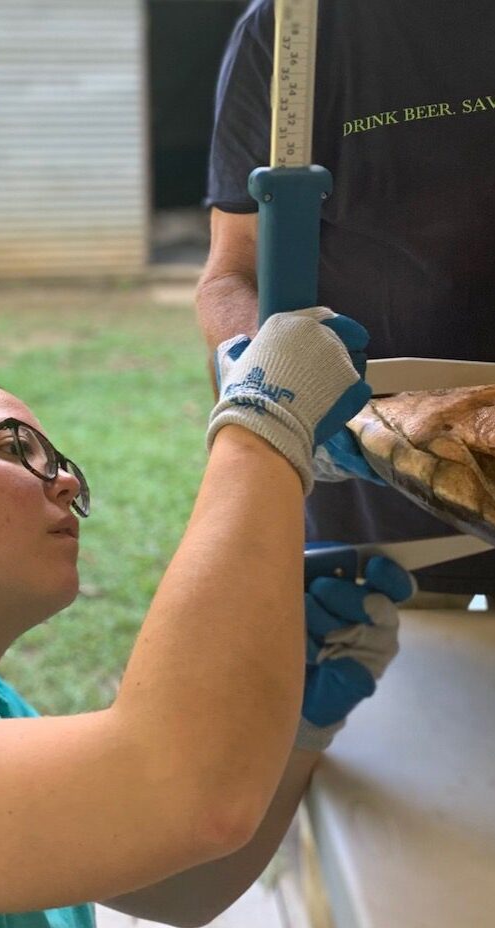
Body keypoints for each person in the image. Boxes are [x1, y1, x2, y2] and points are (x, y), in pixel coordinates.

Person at [0, 310, 413, 928]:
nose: (63, 480)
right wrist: (263, 425)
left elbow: (176, 887)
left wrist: (300, 726)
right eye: (14, 450)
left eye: (60, 461)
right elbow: (178, 795)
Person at [197, 0, 495, 603]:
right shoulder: (290, 28)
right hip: (380, 495)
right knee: (410, 685)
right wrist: (266, 386)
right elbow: (231, 273)